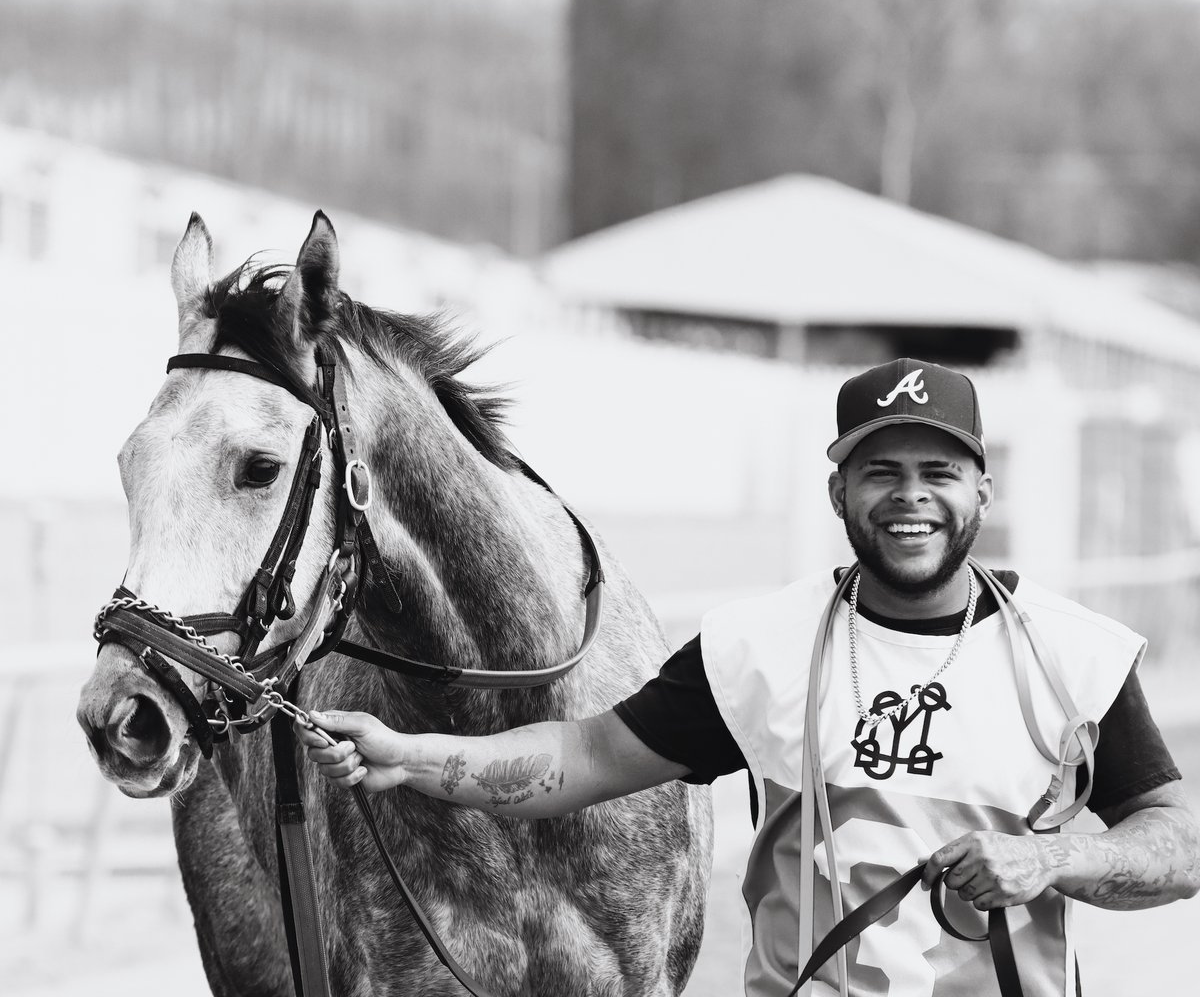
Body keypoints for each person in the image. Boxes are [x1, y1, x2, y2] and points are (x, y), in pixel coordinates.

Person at [298, 358, 1200, 996]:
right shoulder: (757, 648)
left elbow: (1179, 848)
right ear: (839, 493)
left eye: (940, 471)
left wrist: (1052, 859)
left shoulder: (1074, 653)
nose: (911, 495)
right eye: (880, 471)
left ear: (983, 492)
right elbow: (586, 758)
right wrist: (411, 757)